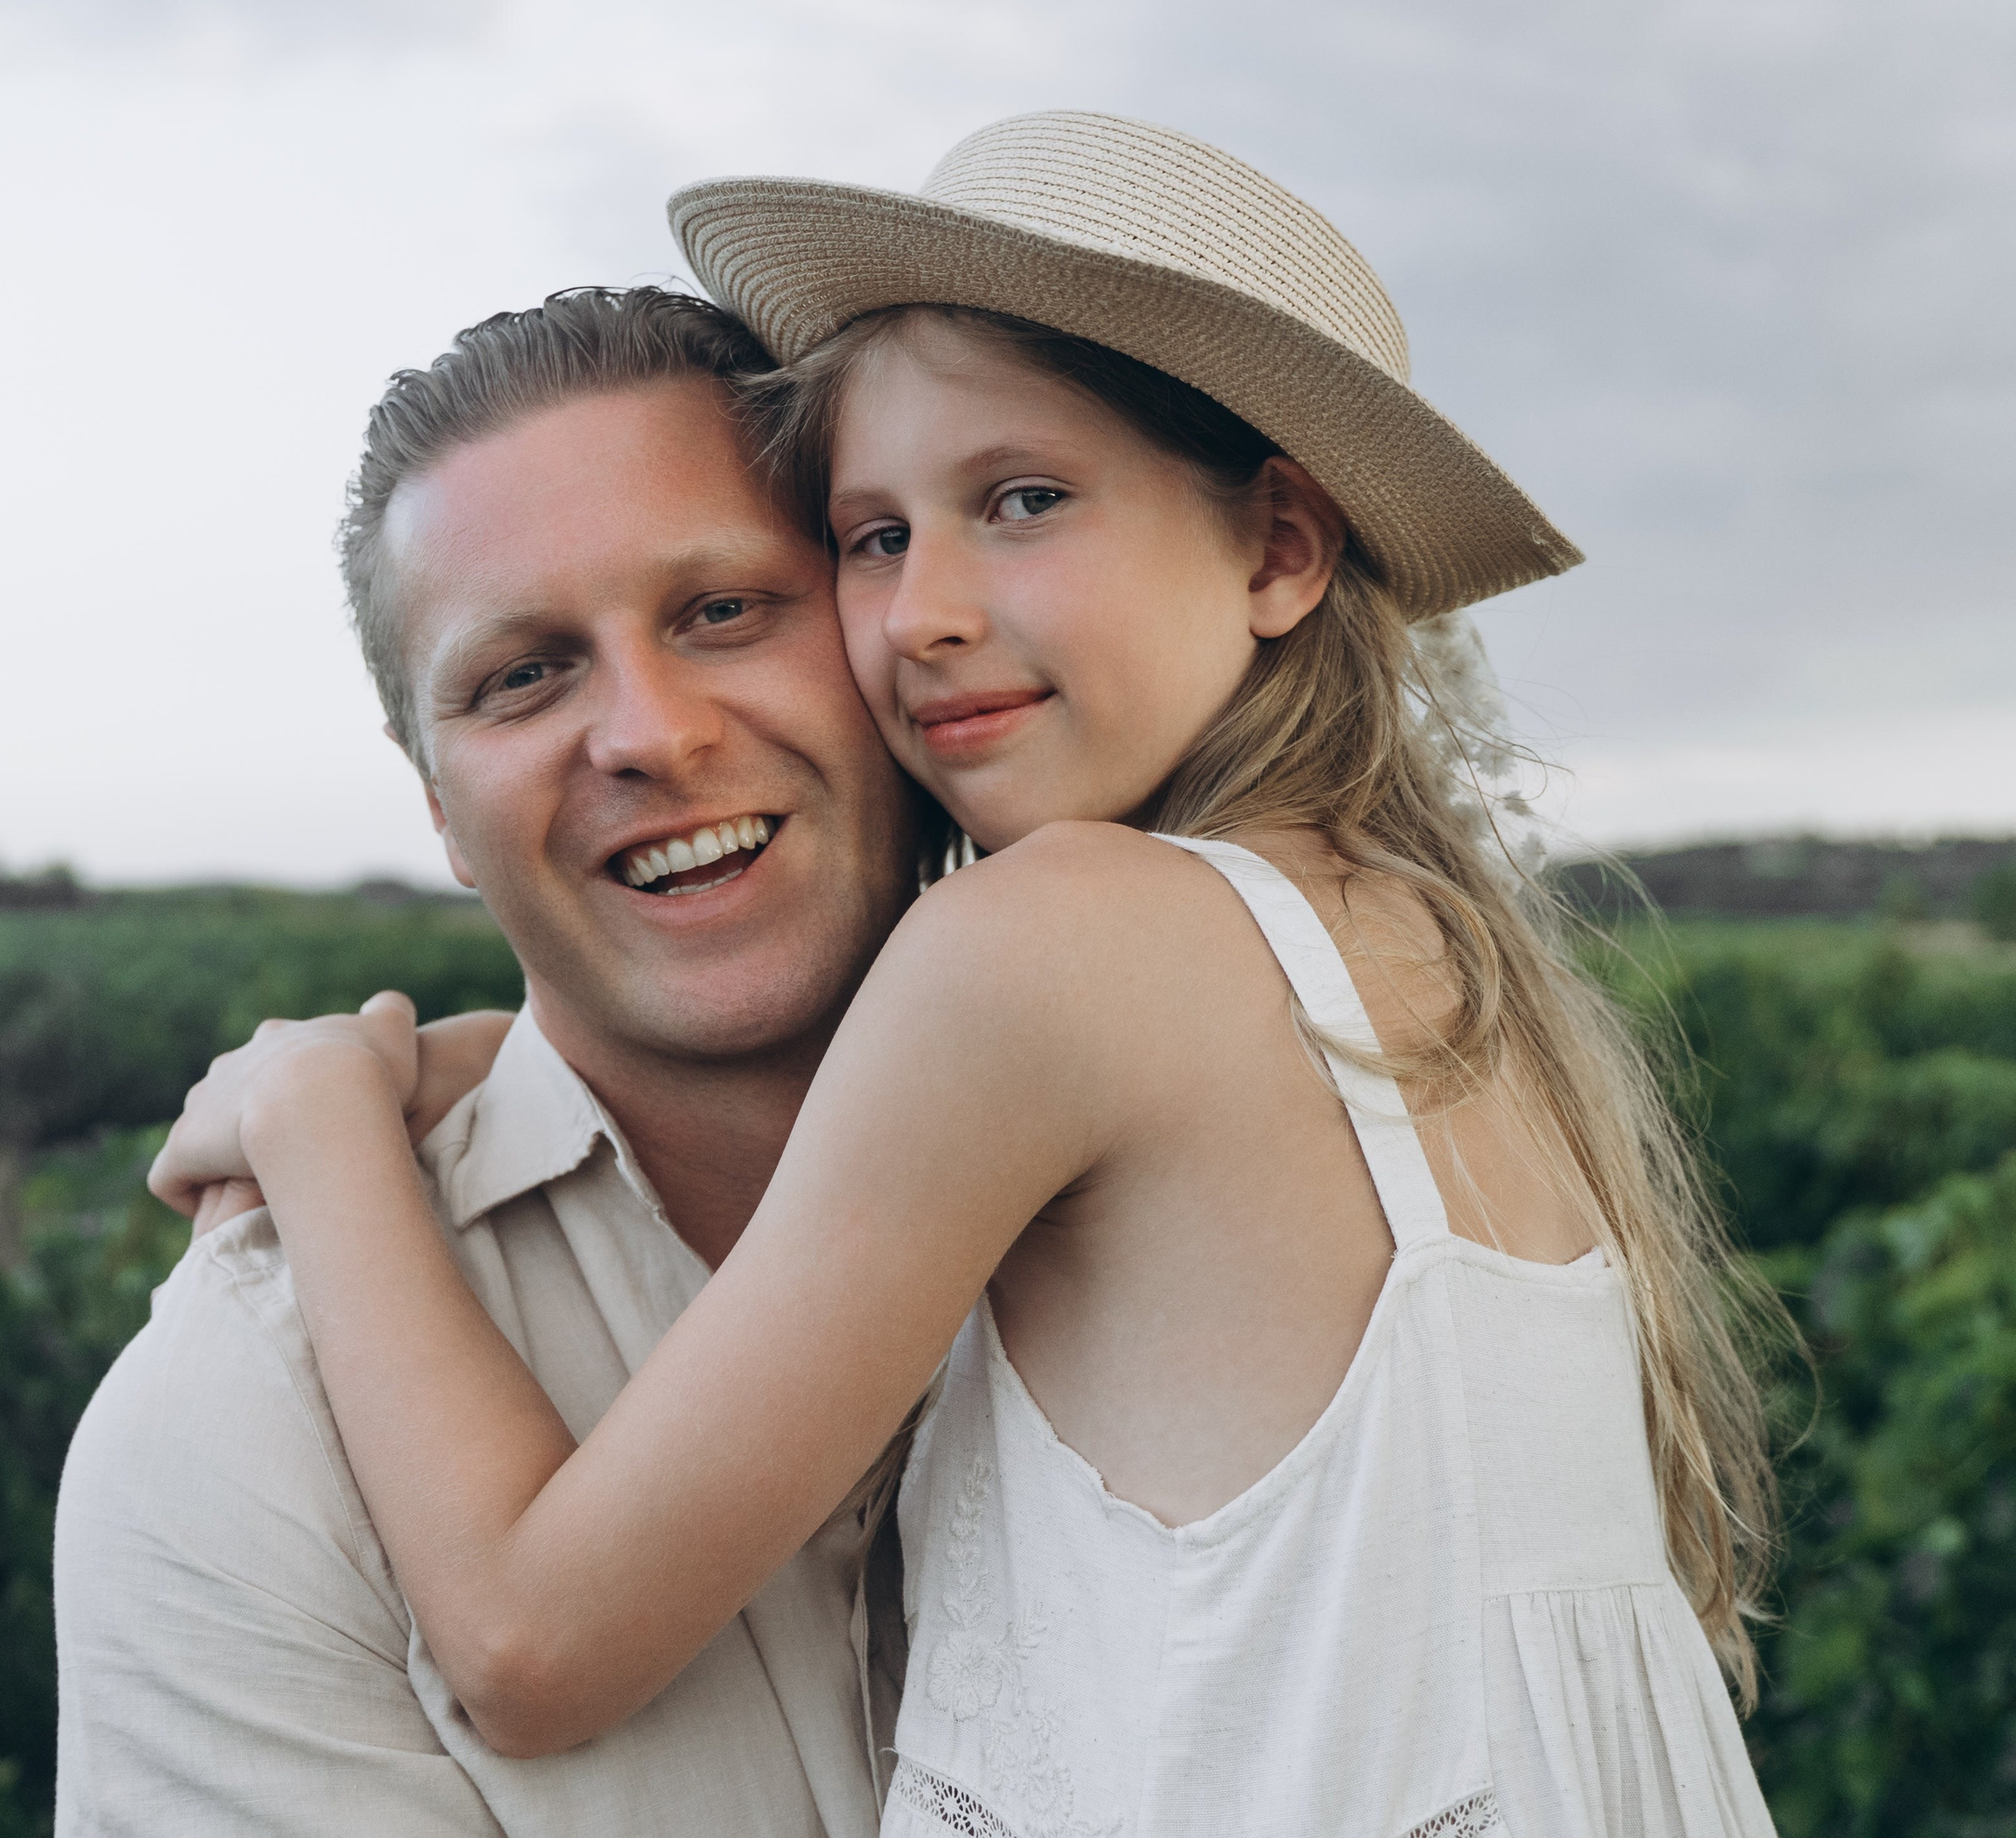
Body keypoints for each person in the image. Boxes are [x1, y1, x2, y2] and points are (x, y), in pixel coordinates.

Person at [153, 114, 1785, 1836]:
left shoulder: (1046, 945)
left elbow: (528, 1638)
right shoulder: (1431, 948)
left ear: (1280, 549)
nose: (922, 614)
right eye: (871, 534)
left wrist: (322, 1110)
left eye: (1021, 502)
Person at [53, 287, 934, 1836]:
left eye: (724, 607)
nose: (650, 735)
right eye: (524, 672)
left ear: (894, 631)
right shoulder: (242, 1428)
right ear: (438, 808)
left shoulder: (1241, 1190)